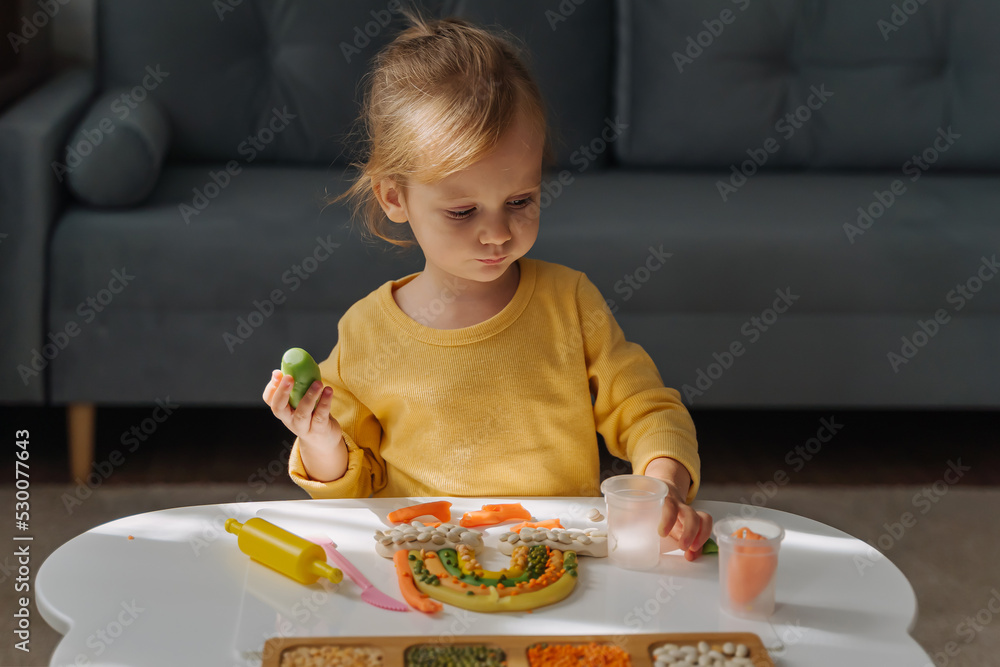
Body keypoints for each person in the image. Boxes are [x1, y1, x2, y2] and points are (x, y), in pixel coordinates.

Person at [262, 6, 712, 560]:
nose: (497, 233)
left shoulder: (569, 303)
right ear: (394, 197)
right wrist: (320, 439)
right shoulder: (365, 333)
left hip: (558, 562)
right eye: (463, 211)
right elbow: (354, 487)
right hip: (425, 565)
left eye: (520, 201)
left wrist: (662, 487)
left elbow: (648, 411)